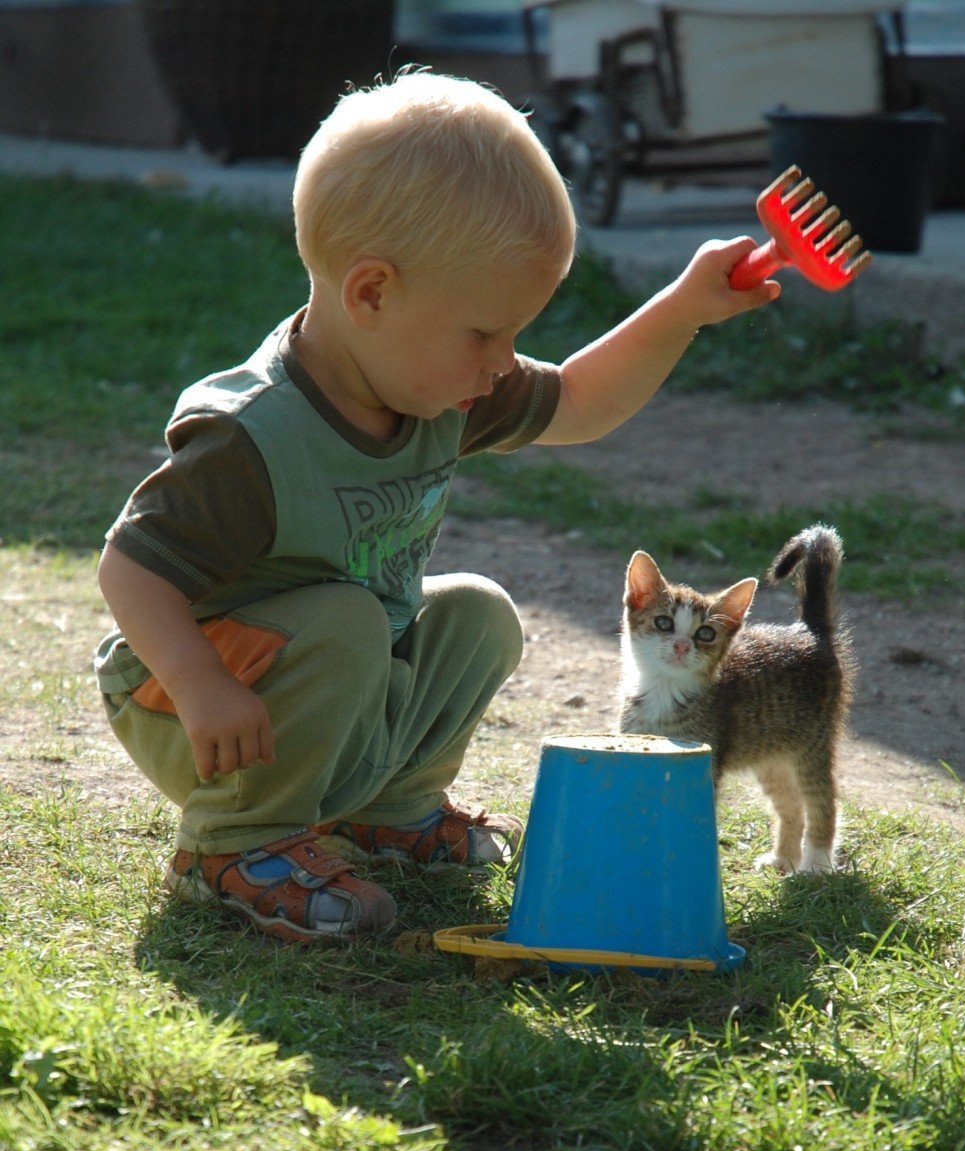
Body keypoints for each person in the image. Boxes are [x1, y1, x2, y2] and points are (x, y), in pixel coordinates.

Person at [95, 69, 779, 945]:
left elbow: (577, 400)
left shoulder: (438, 385)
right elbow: (130, 568)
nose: (503, 362)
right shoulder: (253, 439)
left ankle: (386, 806)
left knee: (479, 616)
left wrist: (685, 307)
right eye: (484, 333)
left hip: (335, 679)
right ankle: (235, 843)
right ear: (373, 293)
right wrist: (201, 686)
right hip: (195, 705)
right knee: (347, 617)